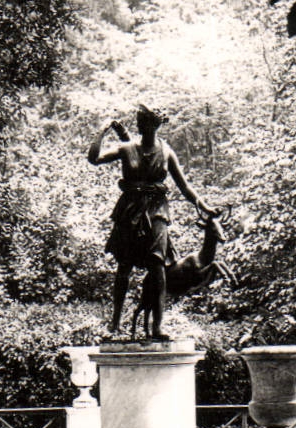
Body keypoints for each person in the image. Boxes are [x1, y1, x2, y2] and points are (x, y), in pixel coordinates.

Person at [88, 105, 217, 339]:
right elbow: (94, 158)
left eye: (146, 123)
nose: (142, 127)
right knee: (124, 266)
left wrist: (204, 206)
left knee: (158, 265)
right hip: (130, 210)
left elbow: (184, 186)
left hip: (157, 210)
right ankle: (115, 325)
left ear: (155, 125)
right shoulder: (126, 148)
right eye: (140, 123)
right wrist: (103, 130)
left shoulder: (166, 152)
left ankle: (158, 326)